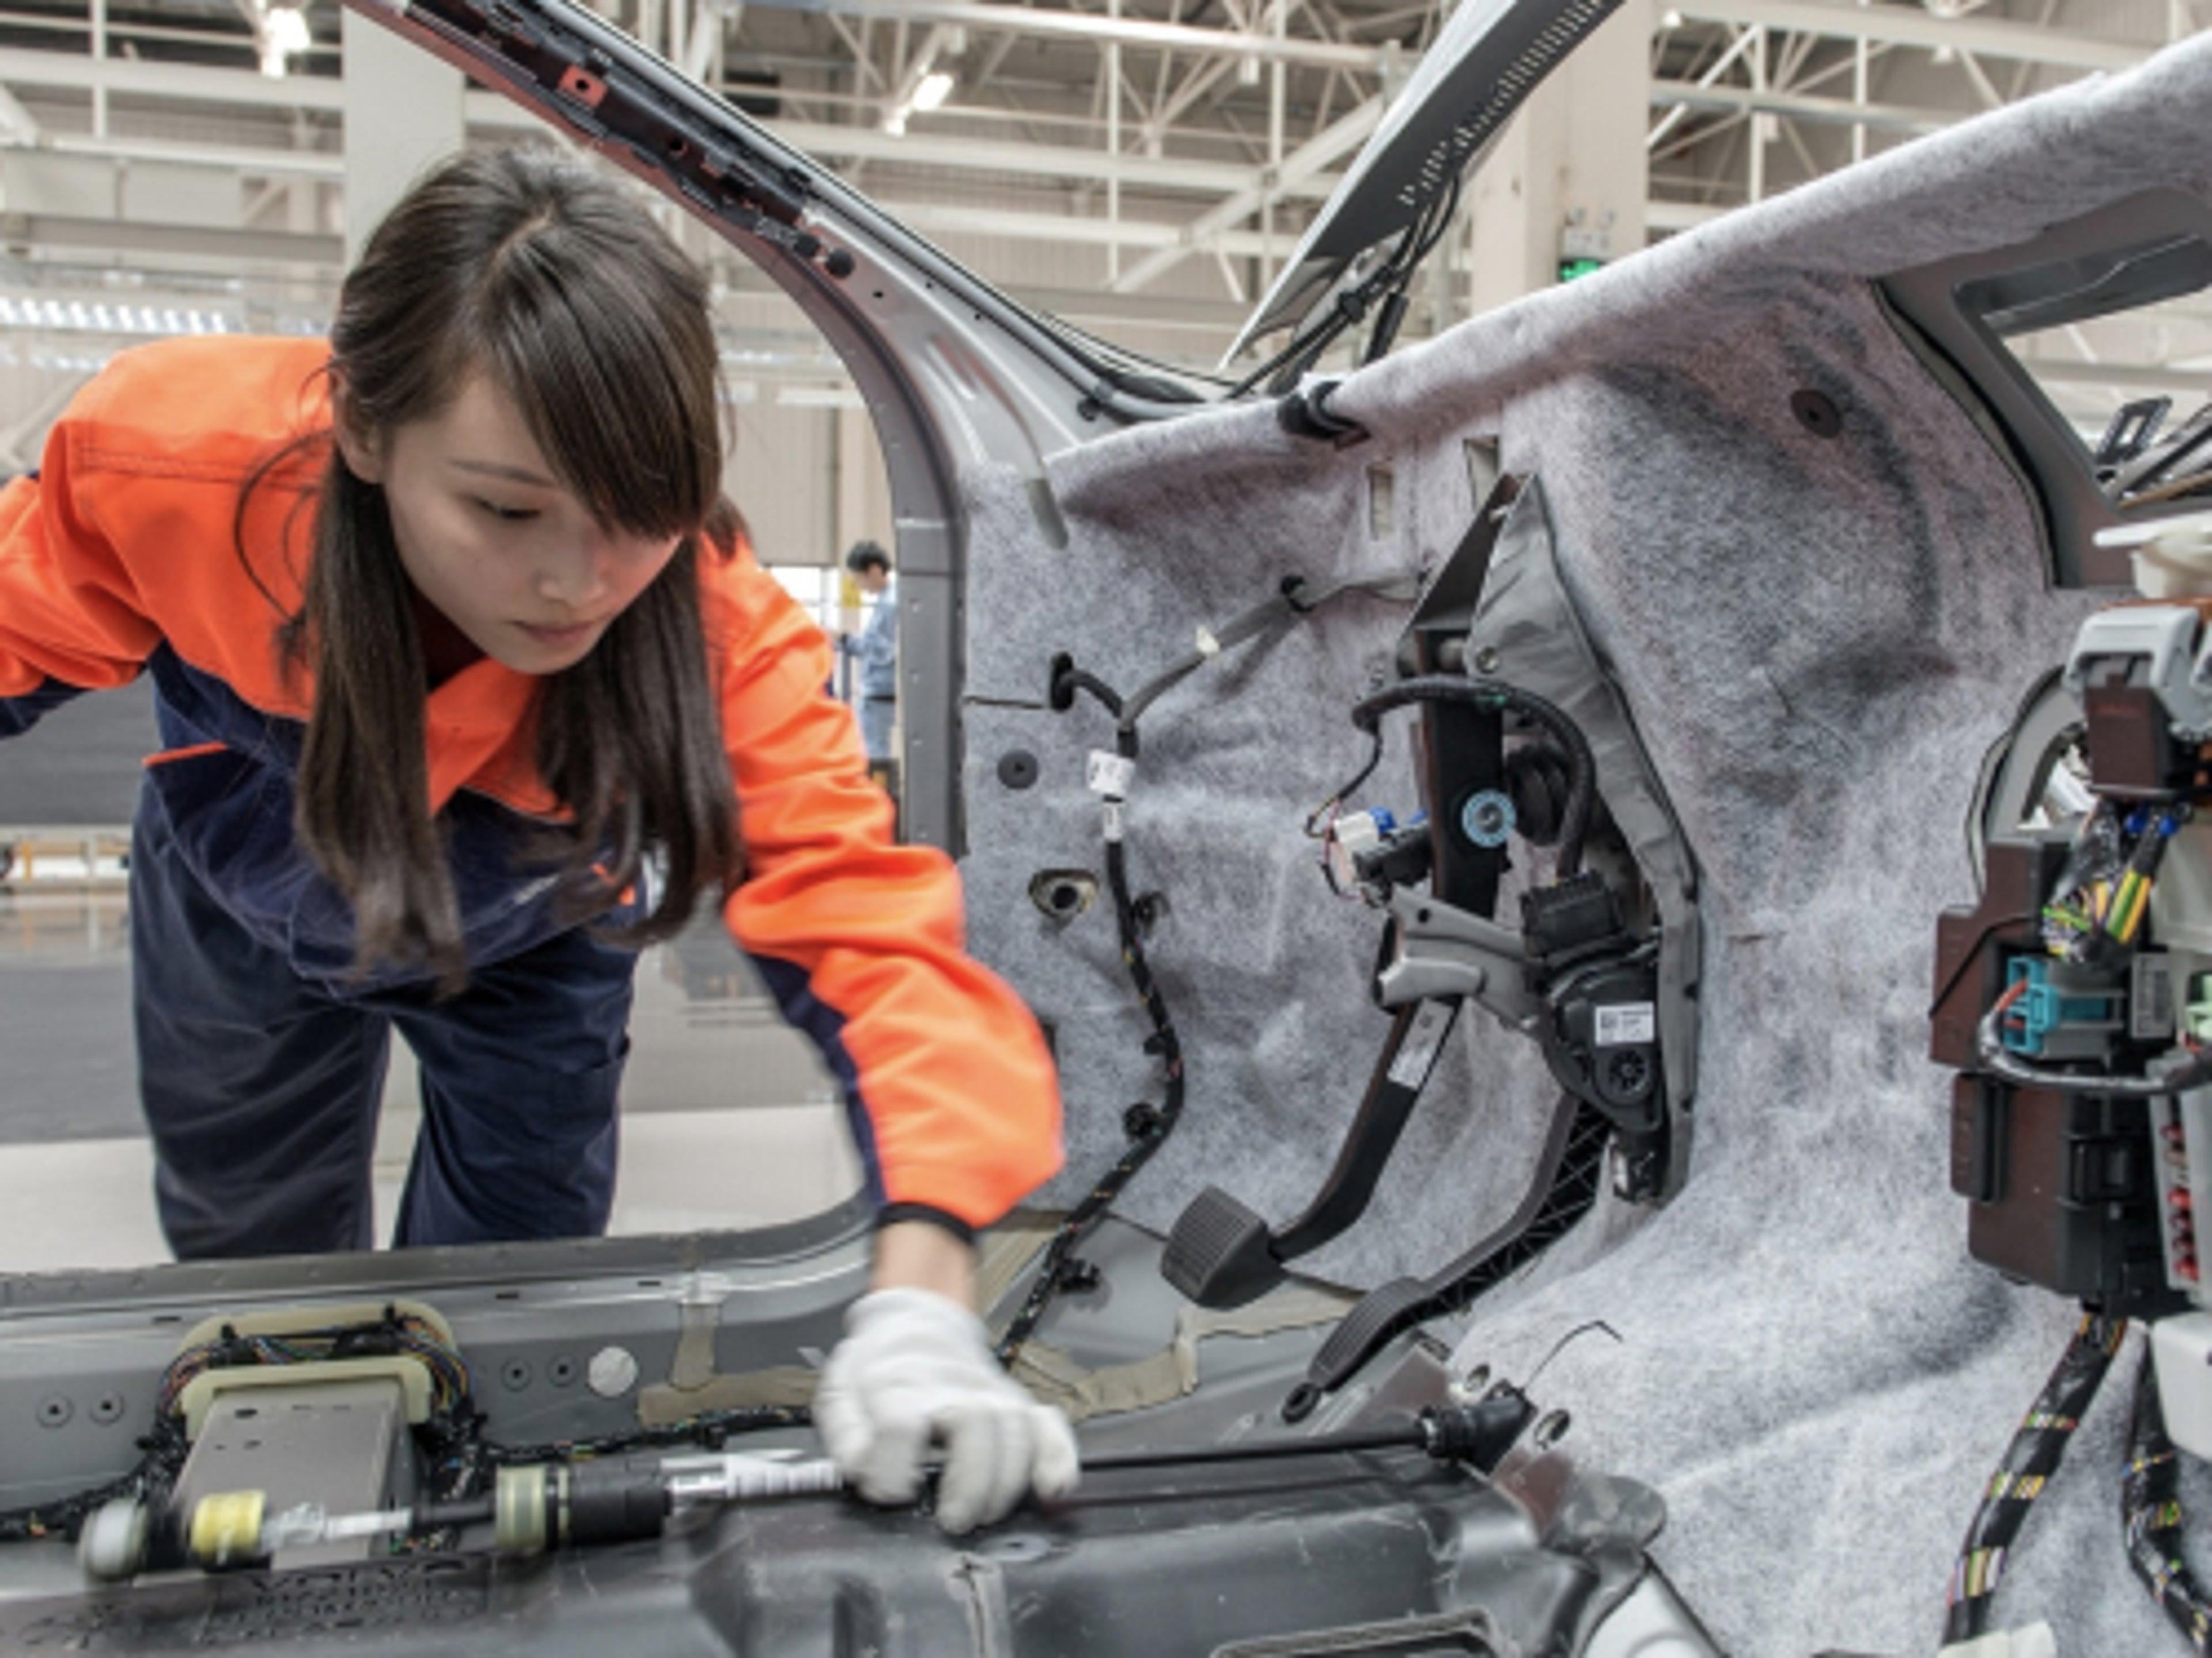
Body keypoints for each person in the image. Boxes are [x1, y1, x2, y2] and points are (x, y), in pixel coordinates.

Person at [0, 148, 1074, 1534]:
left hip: (532, 937)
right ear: (366, 431)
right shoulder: (177, 470)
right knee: (251, 1270)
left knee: (509, 1296)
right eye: (505, 511)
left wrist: (928, 1295)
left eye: (638, 517)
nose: (577, 584)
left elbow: (877, 947)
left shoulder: (711, 630)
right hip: (240, 895)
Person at [838, 540, 897, 764]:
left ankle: (880, 797)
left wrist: (848, 640)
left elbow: (884, 652)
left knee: (875, 754)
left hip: (881, 692)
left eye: (859, 577)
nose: (858, 584)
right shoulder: (888, 600)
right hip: (879, 693)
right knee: (873, 751)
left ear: (873, 570)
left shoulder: (890, 604)